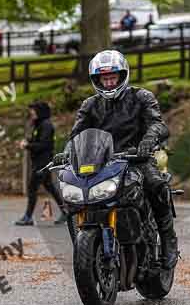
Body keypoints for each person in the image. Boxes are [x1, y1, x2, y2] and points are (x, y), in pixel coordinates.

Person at [70, 50, 179, 269]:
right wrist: (68, 151)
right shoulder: (90, 105)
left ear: (122, 76)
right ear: (97, 80)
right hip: (103, 162)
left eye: (113, 78)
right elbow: (76, 134)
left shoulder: (141, 97)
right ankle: (87, 244)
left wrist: (148, 140)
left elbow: (158, 123)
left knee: (155, 184)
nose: (109, 83)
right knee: (75, 193)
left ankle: (168, 240)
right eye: (104, 78)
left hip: (137, 159)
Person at [15, 100, 69, 226]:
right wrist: (28, 141)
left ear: (40, 112)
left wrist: (28, 145)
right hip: (40, 161)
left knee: (32, 188)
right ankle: (66, 212)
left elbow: (44, 145)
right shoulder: (39, 125)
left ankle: (28, 217)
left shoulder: (46, 125)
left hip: (43, 162)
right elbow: (37, 139)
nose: (31, 113)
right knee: (50, 186)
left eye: (33, 111)